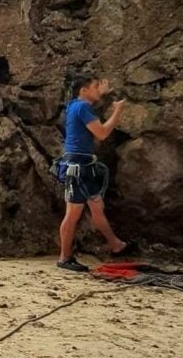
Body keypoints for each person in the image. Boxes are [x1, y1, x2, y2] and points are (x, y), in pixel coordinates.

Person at [56, 74, 134, 272]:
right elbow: (102, 133)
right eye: (95, 86)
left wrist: (104, 95)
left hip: (84, 164)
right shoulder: (81, 107)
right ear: (83, 90)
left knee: (97, 207)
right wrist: (117, 110)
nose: (98, 89)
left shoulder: (76, 106)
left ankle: (116, 244)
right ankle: (64, 258)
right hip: (78, 166)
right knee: (73, 213)